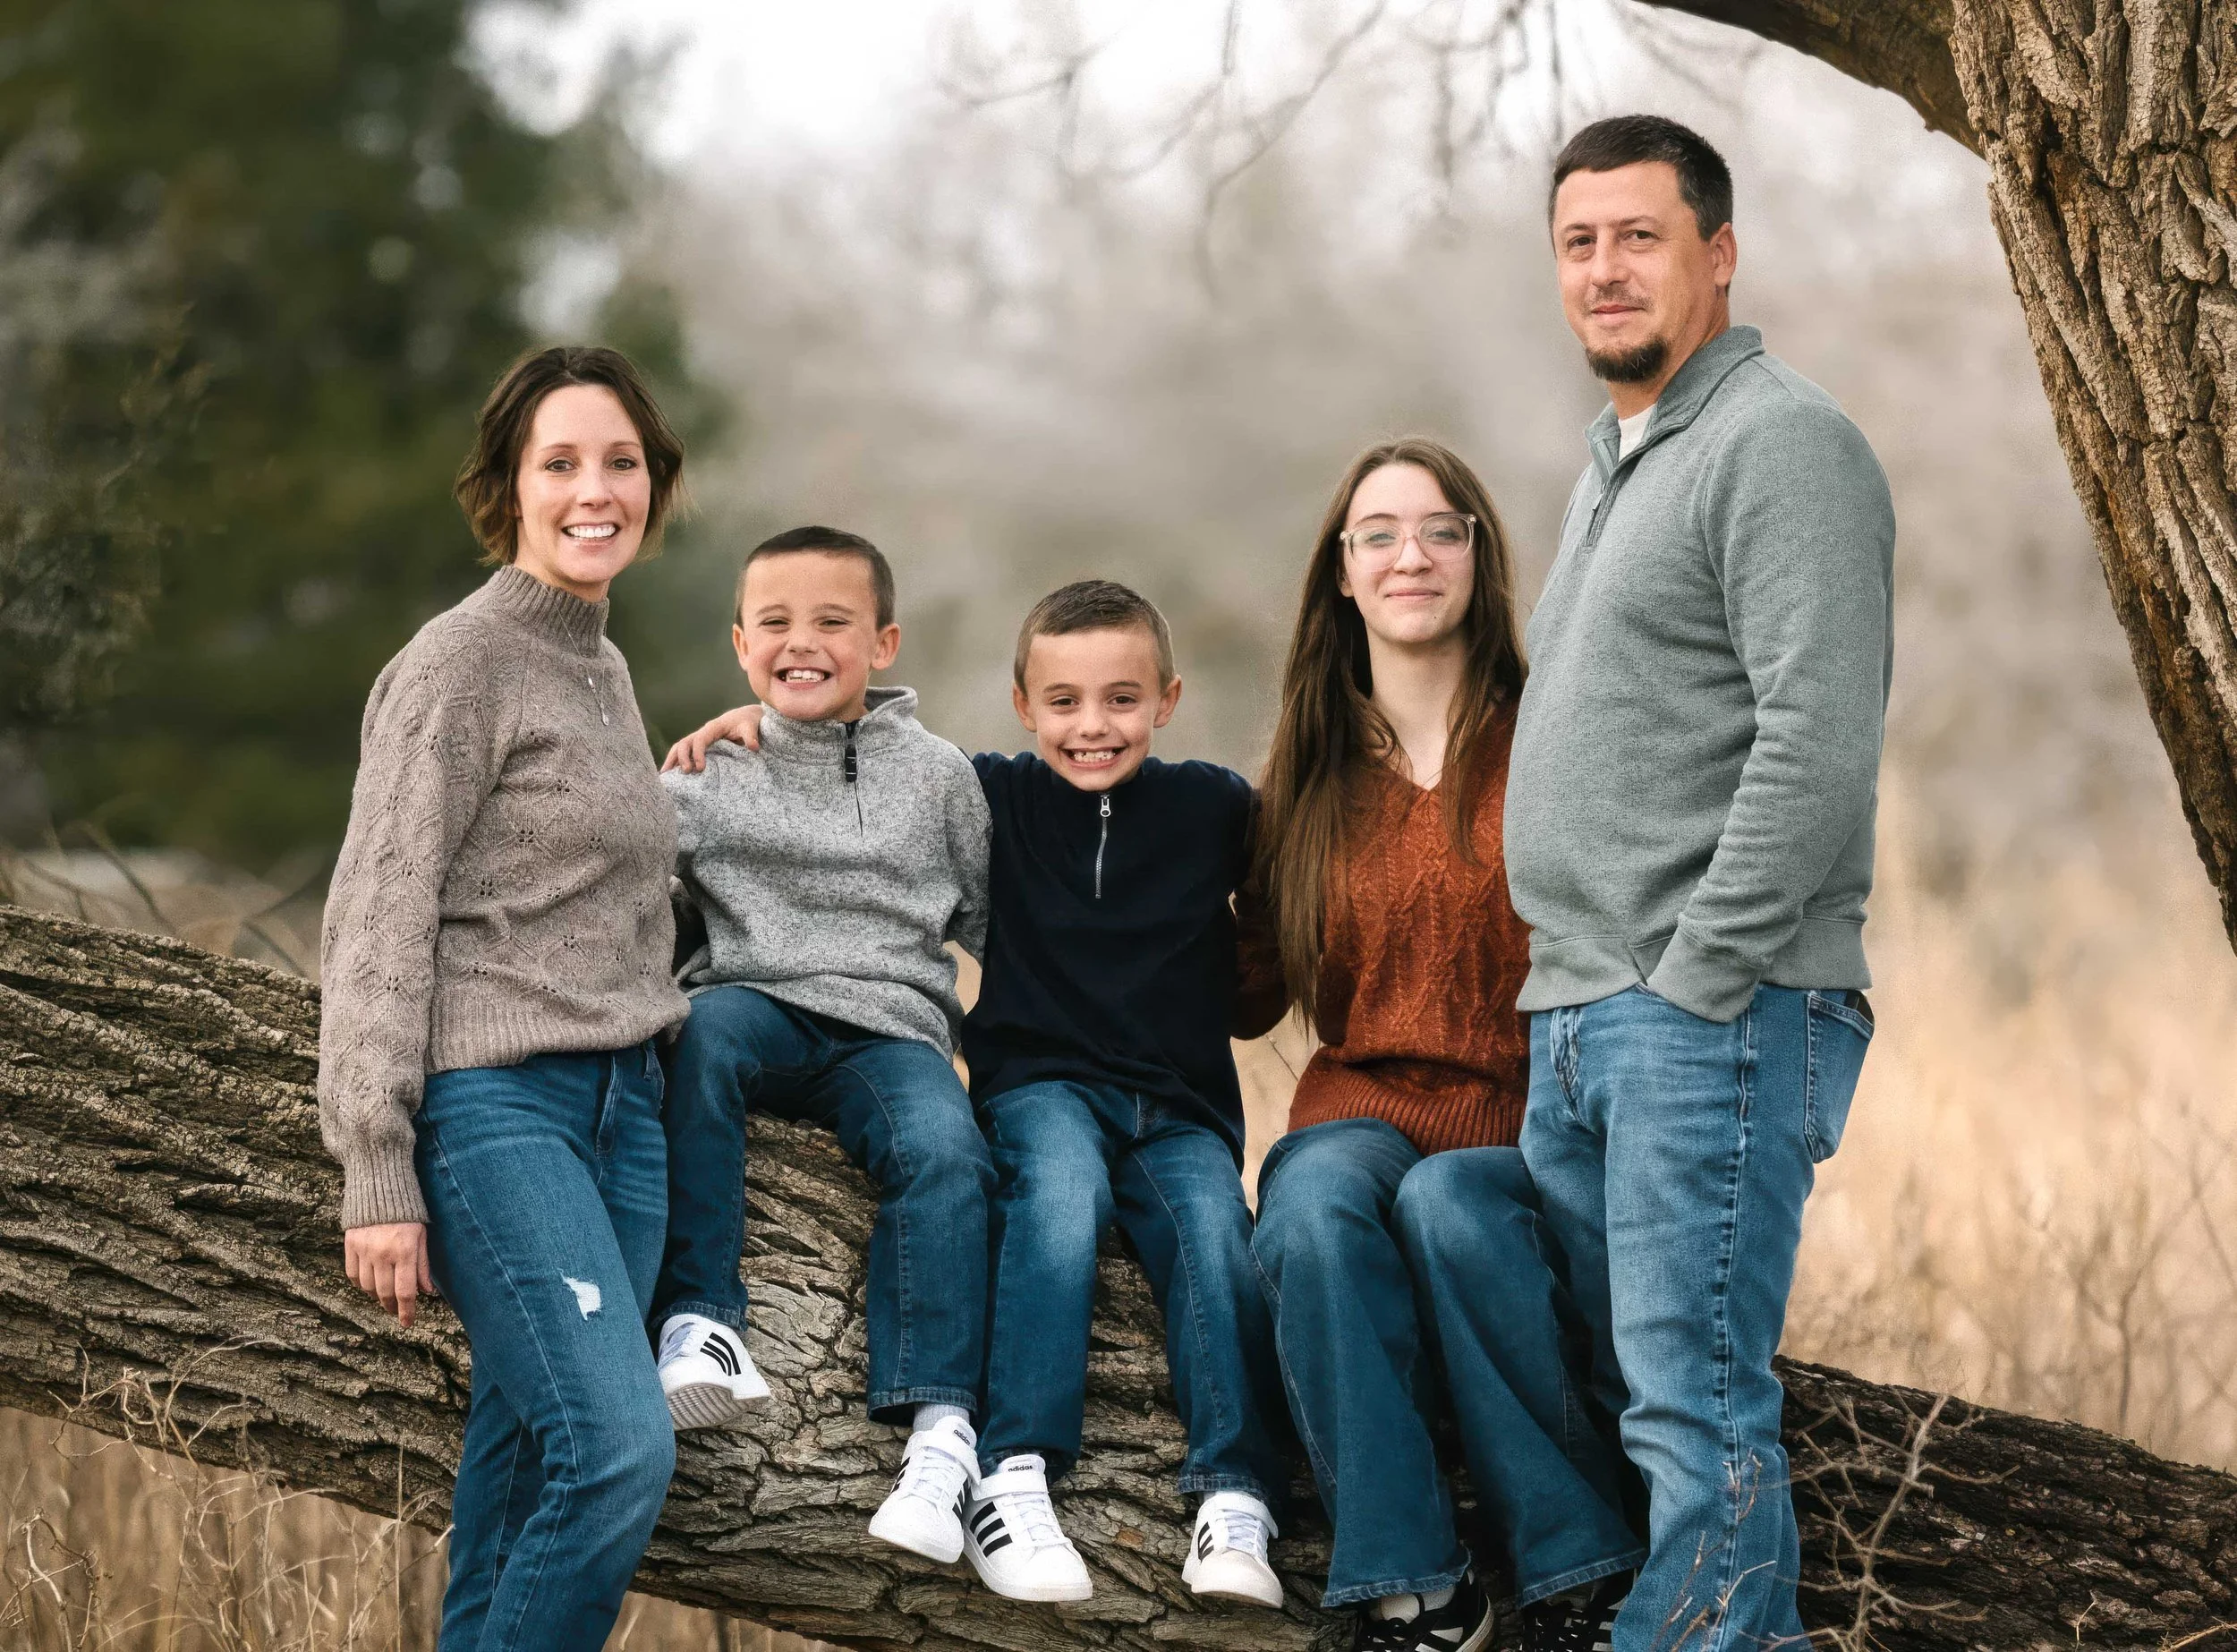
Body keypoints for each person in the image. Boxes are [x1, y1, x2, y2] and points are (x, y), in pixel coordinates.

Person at [667, 580, 1292, 1610]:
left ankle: (1235, 1499)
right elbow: (867, 756)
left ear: (1168, 699)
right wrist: (764, 728)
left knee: (1222, 1243)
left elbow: (1298, 852)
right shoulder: (985, 790)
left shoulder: (1214, 805)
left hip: (1180, 1106)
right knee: (1052, 1207)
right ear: (1021, 703)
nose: (1092, 726)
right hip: (1043, 1083)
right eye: (1064, 702)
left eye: (1123, 700)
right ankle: (1012, 1469)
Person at [1509, 115, 1893, 1652]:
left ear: (1717, 255)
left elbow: (1818, 736)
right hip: (1586, 1008)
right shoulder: (1617, 455)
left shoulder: (1780, 442)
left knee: (1692, 1404)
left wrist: (1696, 971)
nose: (1606, 270)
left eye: (1640, 236)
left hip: (1701, 1008)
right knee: (1635, 1401)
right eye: (1580, 243)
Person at [1241, 438, 1644, 1652]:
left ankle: (1585, 1576)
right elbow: (1240, 986)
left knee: (1452, 1206)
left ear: (1480, 557)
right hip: (1357, 1108)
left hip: (1532, 1118)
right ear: (1343, 578)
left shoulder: (1559, 739)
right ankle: (1420, 1591)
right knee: (1307, 1207)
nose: (1411, 554)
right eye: (1379, 534)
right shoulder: (1301, 782)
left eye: (1441, 528)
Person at [319, 345, 692, 1652]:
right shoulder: (459, 662)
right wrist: (377, 1159)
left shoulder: (605, 669)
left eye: (622, 462)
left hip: (623, 1122)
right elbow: (379, 908)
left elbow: (604, 887)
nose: (597, 490)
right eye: (562, 463)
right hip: (500, 1114)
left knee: (534, 1456)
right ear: (508, 488)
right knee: (615, 1450)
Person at [648, 526, 998, 1570]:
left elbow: (999, 927)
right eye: (777, 624)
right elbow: (634, 904)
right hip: (753, 1000)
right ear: (740, 642)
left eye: (833, 622)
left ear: (884, 642)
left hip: (892, 1029)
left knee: (947, 1148)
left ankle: (939, 1425)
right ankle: (700, 1322)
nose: (803, 642)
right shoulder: (702, 775)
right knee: (696, 1040)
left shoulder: (942, 780)